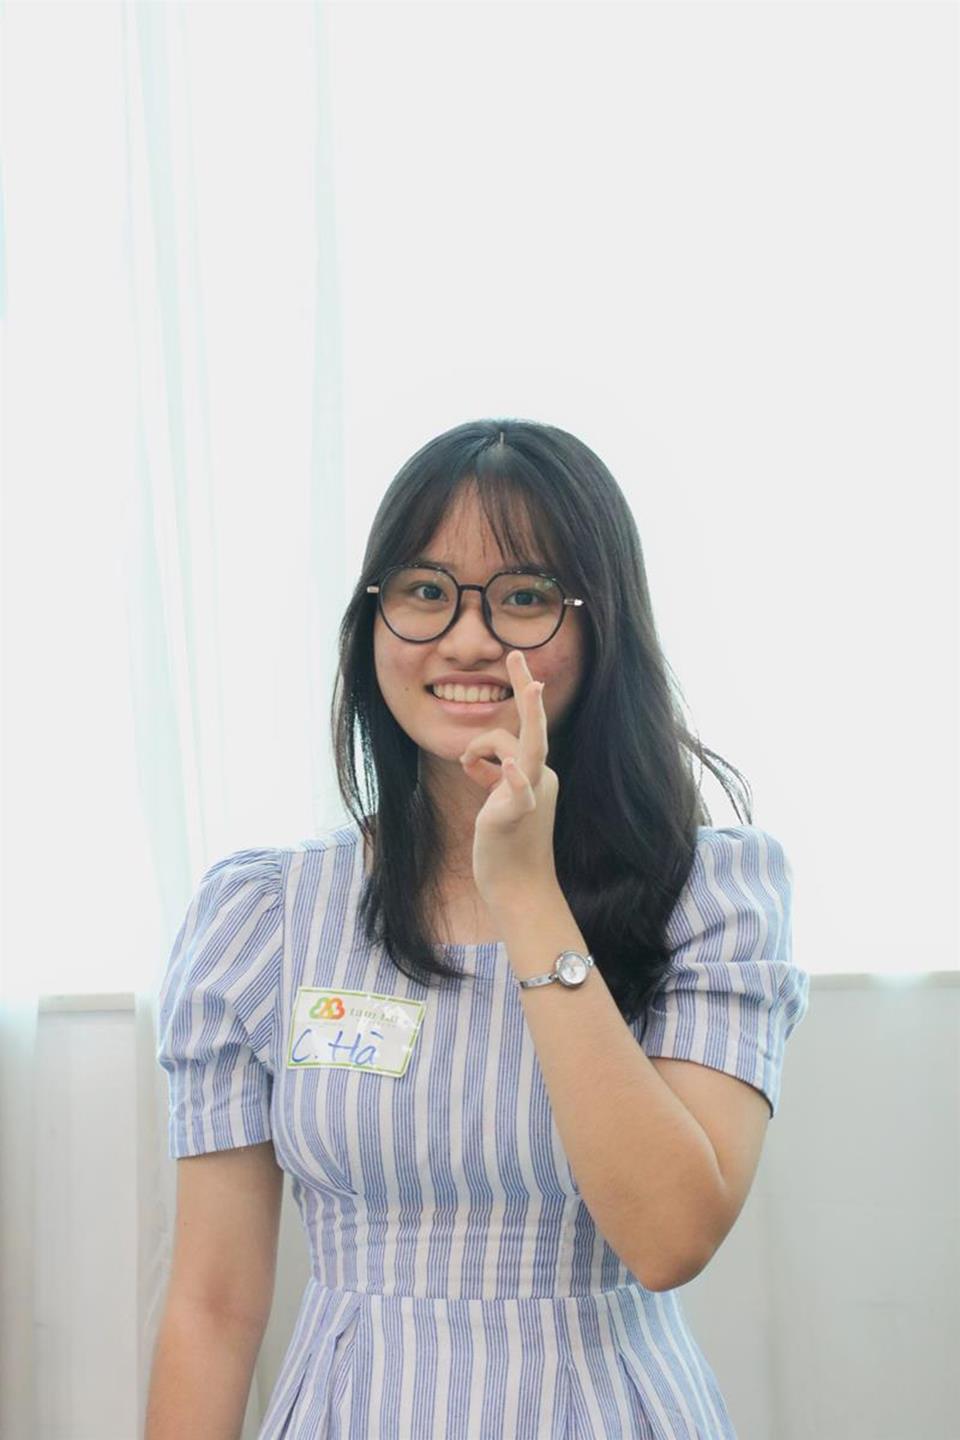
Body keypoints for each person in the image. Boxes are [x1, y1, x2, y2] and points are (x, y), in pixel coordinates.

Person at [150, 419, 810, 1439]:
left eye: (525, 596)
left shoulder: (712, 895)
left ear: (601, 626)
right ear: (372, 623)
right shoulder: (262, 917)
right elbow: (212, 1307)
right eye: (425, 590)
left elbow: (670, 1237)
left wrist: (527, 892)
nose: (466, 639)